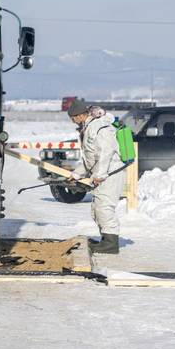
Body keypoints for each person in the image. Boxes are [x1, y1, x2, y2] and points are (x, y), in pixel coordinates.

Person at [66, 99, 125, 254]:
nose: (72, 121)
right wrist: (77, 174)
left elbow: (107, 151)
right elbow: (90, 158)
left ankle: (111, 244)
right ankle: (106, 239)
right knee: (97, 207)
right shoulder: (88, 127)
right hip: (103, 173)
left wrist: (100, 174)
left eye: (72, 118)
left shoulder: (100, 126)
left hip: (111, 172)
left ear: (78, 115)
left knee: (104, 206)